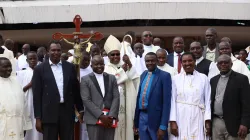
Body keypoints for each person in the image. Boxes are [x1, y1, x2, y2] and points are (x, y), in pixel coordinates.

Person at [32, 41, 84, 140]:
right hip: (48, 113)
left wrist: (80, 108)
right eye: (53, 50)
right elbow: (37, 96)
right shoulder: (39, 69)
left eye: (58, 50)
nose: (56, 52)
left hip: (67, 111)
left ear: (61, 51)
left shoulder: (70, 67)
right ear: (48, 52)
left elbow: (75, 90)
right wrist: (38, 118)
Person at [104, 35, 140, 140]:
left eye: (118, 54)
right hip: (113, 109)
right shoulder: (105, 69)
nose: (116, 56)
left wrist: (129, 64)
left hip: (127, 106)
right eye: (113, 54)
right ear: (108, 56)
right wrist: (122, 72)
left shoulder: (125, 65)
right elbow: (109, 85)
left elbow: (136, 80)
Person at [169, 52, 211, 140]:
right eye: (184, 61)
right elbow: (172, 100)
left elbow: (208, 100)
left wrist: (207, 120)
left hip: (198, 115)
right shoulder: (175, 79)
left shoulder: (203, 78)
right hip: (180, 116)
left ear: (195, 61)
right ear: (181, 63)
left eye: (190, 61)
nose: (187, 63)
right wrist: (173, 121)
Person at [210, 54, 250, 140]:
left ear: (231, 64)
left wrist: (245, 124)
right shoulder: (213, 80)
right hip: (216, 122)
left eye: (226, 62)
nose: (223, 64)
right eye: (220, 63)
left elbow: (247, 103)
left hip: (235, 123)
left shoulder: (242, 79)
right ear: (217, 66)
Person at [80, 55, 120, 140]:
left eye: (101, 64)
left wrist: (111, 116)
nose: (99, 66)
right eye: (96, 64)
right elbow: (86, 100)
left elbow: (116, 97)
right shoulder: (85, 79)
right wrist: (101, 115)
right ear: (91, 66)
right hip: (94, 119)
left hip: (109, 119)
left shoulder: (111, 78)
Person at [134, 52, 172, 140]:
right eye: (147, 61)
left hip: (156, 120)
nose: (150, 63)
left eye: (152, 61)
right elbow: (139, 98)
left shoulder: (164, 76)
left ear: (157, 61)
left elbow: (167, 103)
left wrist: (163, 126)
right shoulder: (143, 74)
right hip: (142, 117)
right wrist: (136, 122)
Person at [0, 57, 32, 140]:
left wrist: (25, 125)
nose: (9, 69)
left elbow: (23, 103)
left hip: (17, 124)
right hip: (3, 125)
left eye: (10, 66)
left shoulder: (16, 82)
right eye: (5, 67)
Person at [17, 52, 43, 140]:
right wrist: (30, 84)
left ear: (37, 60)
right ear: (27, 60)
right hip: (27, 102)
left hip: (39, 102)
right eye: (30, 59)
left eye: (34, 58)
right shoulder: (21, 73)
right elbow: (19, 91)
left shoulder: (42, 72)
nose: (32, 60)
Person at [79, 51, 92, 140]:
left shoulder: (91, 71)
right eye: (84, 60)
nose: (86, 62)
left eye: (88, 60)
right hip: (78, 102)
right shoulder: (75, 70)